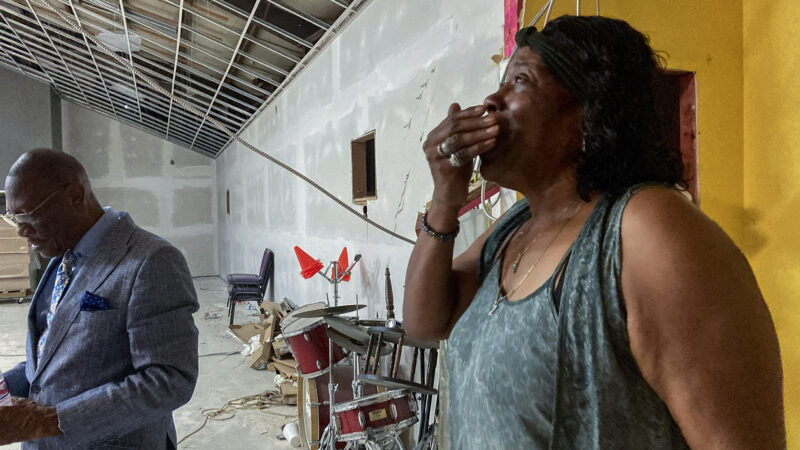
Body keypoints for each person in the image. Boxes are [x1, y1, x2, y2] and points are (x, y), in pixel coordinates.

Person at [404, 15, 784, 449]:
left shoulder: (647, 230)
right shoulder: (513, 230)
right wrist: (444, 200)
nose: (491, 100)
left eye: (520, 81)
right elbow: (424, 322)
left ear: (588, 114)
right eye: (502, 82)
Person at [0, 149, 199, 449]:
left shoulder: (150, 261)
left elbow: (170, 380)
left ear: (73, 195)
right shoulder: (62, 257)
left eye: (28, 215)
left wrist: (47, 420)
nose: (20, 230)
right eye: (14, 217)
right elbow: (51, 355)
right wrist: (6, 385)